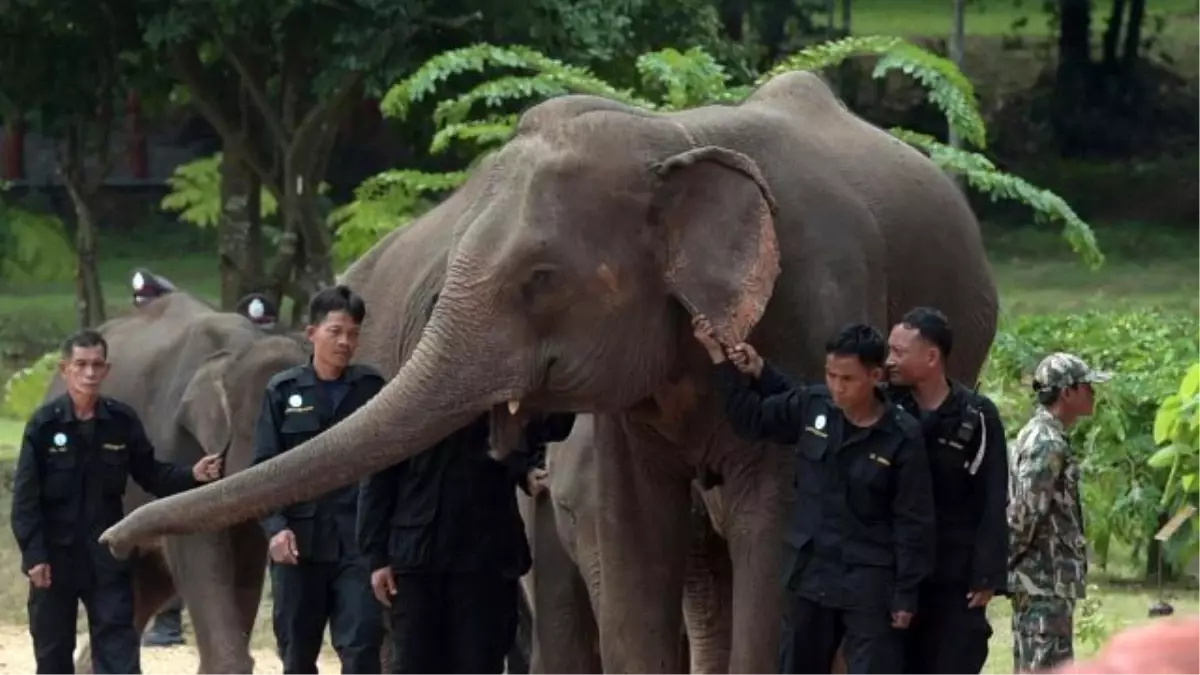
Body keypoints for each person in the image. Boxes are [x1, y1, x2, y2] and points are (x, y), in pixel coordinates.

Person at [694, 317, 936, 675]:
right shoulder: (816, 407)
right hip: (812, 575)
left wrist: (906, 594)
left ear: (875, 376)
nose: (837, 388)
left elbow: (914, 521)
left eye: (848, 379)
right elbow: (752, 419)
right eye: (831, 376)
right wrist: (721, 359)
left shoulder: (902, 436)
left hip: (870, 582)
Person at [357, 295, 575, 675]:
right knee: (413, 665)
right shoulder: (403, 395)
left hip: (484, 559)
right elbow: (378, 478)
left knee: (479, 663)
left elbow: (552, 427)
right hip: (416, 559)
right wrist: (376, 558)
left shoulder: (505, 390)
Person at [10, 329, 223, 675]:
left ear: (106, 370)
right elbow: (25, 500)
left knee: (119, 656)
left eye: (97, 365)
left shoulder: (121, 421)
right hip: (54, 561)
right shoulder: (44, 425)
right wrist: (34, 557)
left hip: (106, 555)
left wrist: (193, 474)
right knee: (52, 655)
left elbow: (151, 474)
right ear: (65, 370)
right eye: (81, 365)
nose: (89, 373)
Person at [252, 285, 386, 674]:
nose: (345, 342)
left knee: (362, 648)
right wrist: (275, 528)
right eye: (335, 331)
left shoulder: (372, 390)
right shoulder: (283, 392)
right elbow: (263, 470)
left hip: (359, 543)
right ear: (311, 333)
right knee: (297, 653)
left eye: (353, 333)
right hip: (299, 546)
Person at [885, 307, 1008, 675]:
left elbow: (993, 495)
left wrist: (987, 574)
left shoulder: (977, 415)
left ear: (932, 356)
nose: (889, 361)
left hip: (955, 572)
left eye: (899, 353)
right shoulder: (887, 410)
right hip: (899, 572)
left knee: (956, 658)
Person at [1008, 352, 1109, 673]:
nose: (1093, 393)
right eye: (1086, 386)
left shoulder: (1042, 435)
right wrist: (1004, 564)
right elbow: (1024, 514)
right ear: (1066, 392)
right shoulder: (1046, 442)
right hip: (1042, 582)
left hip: (1045, 583)